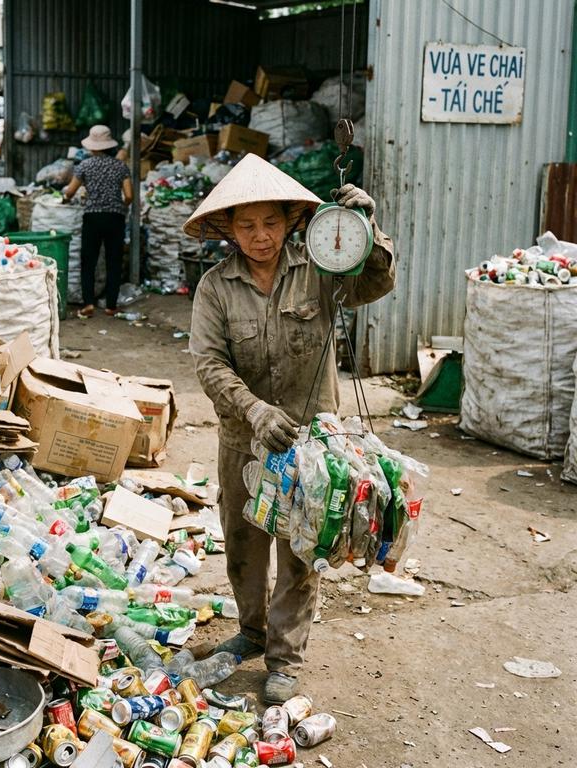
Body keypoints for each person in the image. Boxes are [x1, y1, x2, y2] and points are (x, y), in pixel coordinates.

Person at [186, 153, 395, 704]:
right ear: (229, 229)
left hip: (313, 447)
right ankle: (251, 630)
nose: (261, 236)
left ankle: (285, 655)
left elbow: (374, 281)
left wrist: (367, 231)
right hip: (244, 441)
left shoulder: (324, 266)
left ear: (290, 221)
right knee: (243, 546)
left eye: (272, 223)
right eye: (248, 225)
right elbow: (209, 364)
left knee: (302, 552)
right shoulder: (214, 289)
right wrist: (254, 411)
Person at [63, 125, 133, 318]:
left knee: (89, 261)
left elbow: (70, 191)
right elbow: (129, 195)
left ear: (92, 146)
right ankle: (111, 305)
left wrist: (65, 200)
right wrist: (120, 205)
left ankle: (88, 304)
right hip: (115, 218)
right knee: (114, 261)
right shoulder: (120, 166)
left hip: (92, 217)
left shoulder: (85, 165)